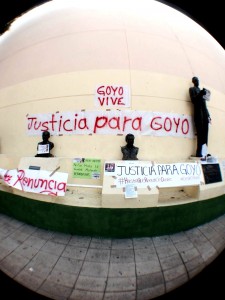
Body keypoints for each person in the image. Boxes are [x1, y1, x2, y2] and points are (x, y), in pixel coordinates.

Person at [189, 77, 211, 157]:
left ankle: (204, 152)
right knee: (200, 133)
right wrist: (200, 94)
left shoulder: (202, 91)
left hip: (204, 114)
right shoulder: (192, 89)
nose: (197, 82)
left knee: (205, 133)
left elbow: (205, 105)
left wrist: (208, 115)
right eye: (196, 80)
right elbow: (193, 100)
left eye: (198, 80)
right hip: (198, 114)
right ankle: (199, 152)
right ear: (193, 82)